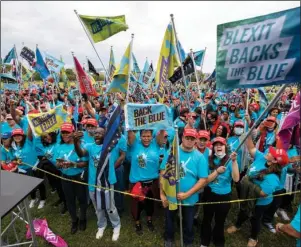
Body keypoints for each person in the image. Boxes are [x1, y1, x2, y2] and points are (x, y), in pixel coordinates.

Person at [226, 136, 289, 247]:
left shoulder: (273, 178)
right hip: (248, 196)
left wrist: (247, 182)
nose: (269, 151)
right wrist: (248, 135)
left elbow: (263, 193)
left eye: (271, 153)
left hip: (260, 203)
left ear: (274, 161)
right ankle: (238, 225)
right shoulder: (262, 158)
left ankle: (254, 238)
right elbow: (251, 148)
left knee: (255, 219)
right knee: (243, 211)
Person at [162, 128, 208, 247]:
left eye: (192, 139)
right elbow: (163, 173)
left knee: (188, 222)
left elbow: (203, 179)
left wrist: (187, 194)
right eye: (187, 138)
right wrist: (162, 194)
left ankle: (188, 241)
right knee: (169, 219)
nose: (189, 141)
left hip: (190, 198)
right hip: (171, 195)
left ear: (195, 140)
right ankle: (169, 237)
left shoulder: (200, 157)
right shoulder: (172, 152)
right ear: (182, 138)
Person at [200, 137, 239, 247]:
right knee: (207, 219)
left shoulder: (230, 161)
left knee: (220, 221)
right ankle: (204, 241)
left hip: (224, 196)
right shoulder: (208, 159)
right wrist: (217, 172)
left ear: (225, 147)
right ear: (213, 148)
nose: (218, 146)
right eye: (216, 145)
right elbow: (205, 180)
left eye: (221, 145)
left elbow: (236, 179)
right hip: (210, 193)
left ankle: (219, 241)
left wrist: (234, 161)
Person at [127, 129, 165, 235]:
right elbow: (130, 136)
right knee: (136, 205)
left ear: (152, 137)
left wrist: (162, 127)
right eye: (144, 136)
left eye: (148, 136)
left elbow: (161, 133)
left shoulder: (156, 144)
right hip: (137, 182)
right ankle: (137, 222)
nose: (146, 138)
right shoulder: (135, 144)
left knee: (150, 204)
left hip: (152, 181)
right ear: (140, 136)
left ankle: (149, 220)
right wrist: (130, 125)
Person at [54, 123, 88, 234]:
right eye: (63, 132)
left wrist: (74, 165)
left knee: (82, 198)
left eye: (67, 132)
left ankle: (82, 218)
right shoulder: (59, 146)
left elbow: (86, 162)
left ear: (73, 133)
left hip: (79, 177)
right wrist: (59, 165)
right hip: (65, 177)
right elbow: (56, 163)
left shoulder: (82, 144)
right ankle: (74, 220)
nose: (65, 135)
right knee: (69, 200)